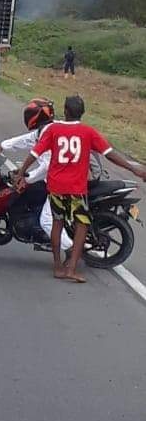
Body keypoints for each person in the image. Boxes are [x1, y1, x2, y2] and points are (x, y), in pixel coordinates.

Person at [16, 95, 146, 283]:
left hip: (55, 186)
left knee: (57, 223)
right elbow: (110, 155)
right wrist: (134, 169)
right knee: (82, 225)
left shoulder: (53, 129)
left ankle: (58, 267)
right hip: (76, 188)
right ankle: (72, 269)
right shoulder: (88, 132)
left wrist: (21, 172)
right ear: (82, 113)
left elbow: (35, 153)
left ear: (65, 111)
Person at [0, 97, 72, 252]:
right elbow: (26, 140)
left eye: (30, 113)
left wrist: (27, 178)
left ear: (36, 116)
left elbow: (47, 167)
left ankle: (70, 251)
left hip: (61, 182)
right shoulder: (45, 130)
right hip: (58, 177)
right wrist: (2, 146)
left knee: (47, 220)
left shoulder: (49, 132)